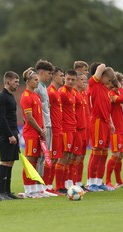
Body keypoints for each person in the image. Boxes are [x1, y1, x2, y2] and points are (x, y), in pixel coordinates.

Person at [86, 63, 117, 192]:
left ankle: (99, 181)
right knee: (96, 152)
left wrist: (110, 123)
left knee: (104, 153)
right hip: (97, 121)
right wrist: (104, 68)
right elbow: (100, 67)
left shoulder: (105, 89)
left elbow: (107, 109)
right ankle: (91, 182)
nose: (109, 83)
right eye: (108, 79)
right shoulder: (94, 84)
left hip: (105, 123)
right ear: (101, 76)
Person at [19, 68, 46, 198]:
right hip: (31, 133)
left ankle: (34, 189)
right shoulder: (26, 96)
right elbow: (29, 118)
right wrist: (40, 129)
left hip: (38, 133)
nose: (37, 82)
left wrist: (43, 129)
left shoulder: (36, 95)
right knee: (30, 161)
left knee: (35, 161)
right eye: (35, 80)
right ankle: (28, 190)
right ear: (28, 81)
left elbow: (39, 115)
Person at [0, 71, 21, 200]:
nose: (17, 84)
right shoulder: (1, 97)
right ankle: (1, 192)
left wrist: (16, 133)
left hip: (13, 132)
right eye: (15, 81)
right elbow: (1, 118)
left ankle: (8, 191)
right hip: (6, 134)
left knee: (11, 162)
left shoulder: (11, 96)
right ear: (7, 82)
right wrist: (10, 135)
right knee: (5, 161)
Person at [106, 72, 123, 189]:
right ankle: (107, 181)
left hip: (121, 129)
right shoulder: (111, 94)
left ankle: (119, 181)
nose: (122, 84)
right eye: (120, 81)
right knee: (115, 154)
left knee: (120, 155)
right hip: (116, 130)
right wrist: (120, 88)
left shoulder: (116, 93)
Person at [34, 60, 55, 196]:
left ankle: (40, 187)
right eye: (48, 73)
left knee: (43, 157)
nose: (50, 76)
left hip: (47, 125)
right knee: (39, 157)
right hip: (41, 126)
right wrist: (40, 127)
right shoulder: (37, 88)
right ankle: (35, 188)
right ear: (41, 73)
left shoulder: (43, 87)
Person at [56, 69, 77, 194]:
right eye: (68, 79)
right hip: (65, 129)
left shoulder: (72, 92)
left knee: (69, 157)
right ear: (65, 78)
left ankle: (65, 185)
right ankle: (59, 186)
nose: (70, 81)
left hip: (72, 128)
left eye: (72, 80)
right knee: (63, 157)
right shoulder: (62, 92)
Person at [46, 67, 64, 195]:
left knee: (55, 159)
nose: (62, 78)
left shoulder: (56, 92)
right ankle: (47, 186)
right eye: (61, 75)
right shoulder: (50, 92)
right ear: (53, 77)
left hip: (58, 129)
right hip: (52, 130)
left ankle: (51, 187)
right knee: (50, 159)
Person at [71, 72, 88, 190]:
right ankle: (71, 184)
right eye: (82, 80)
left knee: (80, 157)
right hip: (76, 129)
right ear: (76, 81)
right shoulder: (74, 94)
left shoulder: (81, 94)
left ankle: (77, 183)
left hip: (83, 129)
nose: (84, 82)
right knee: (73, 158)